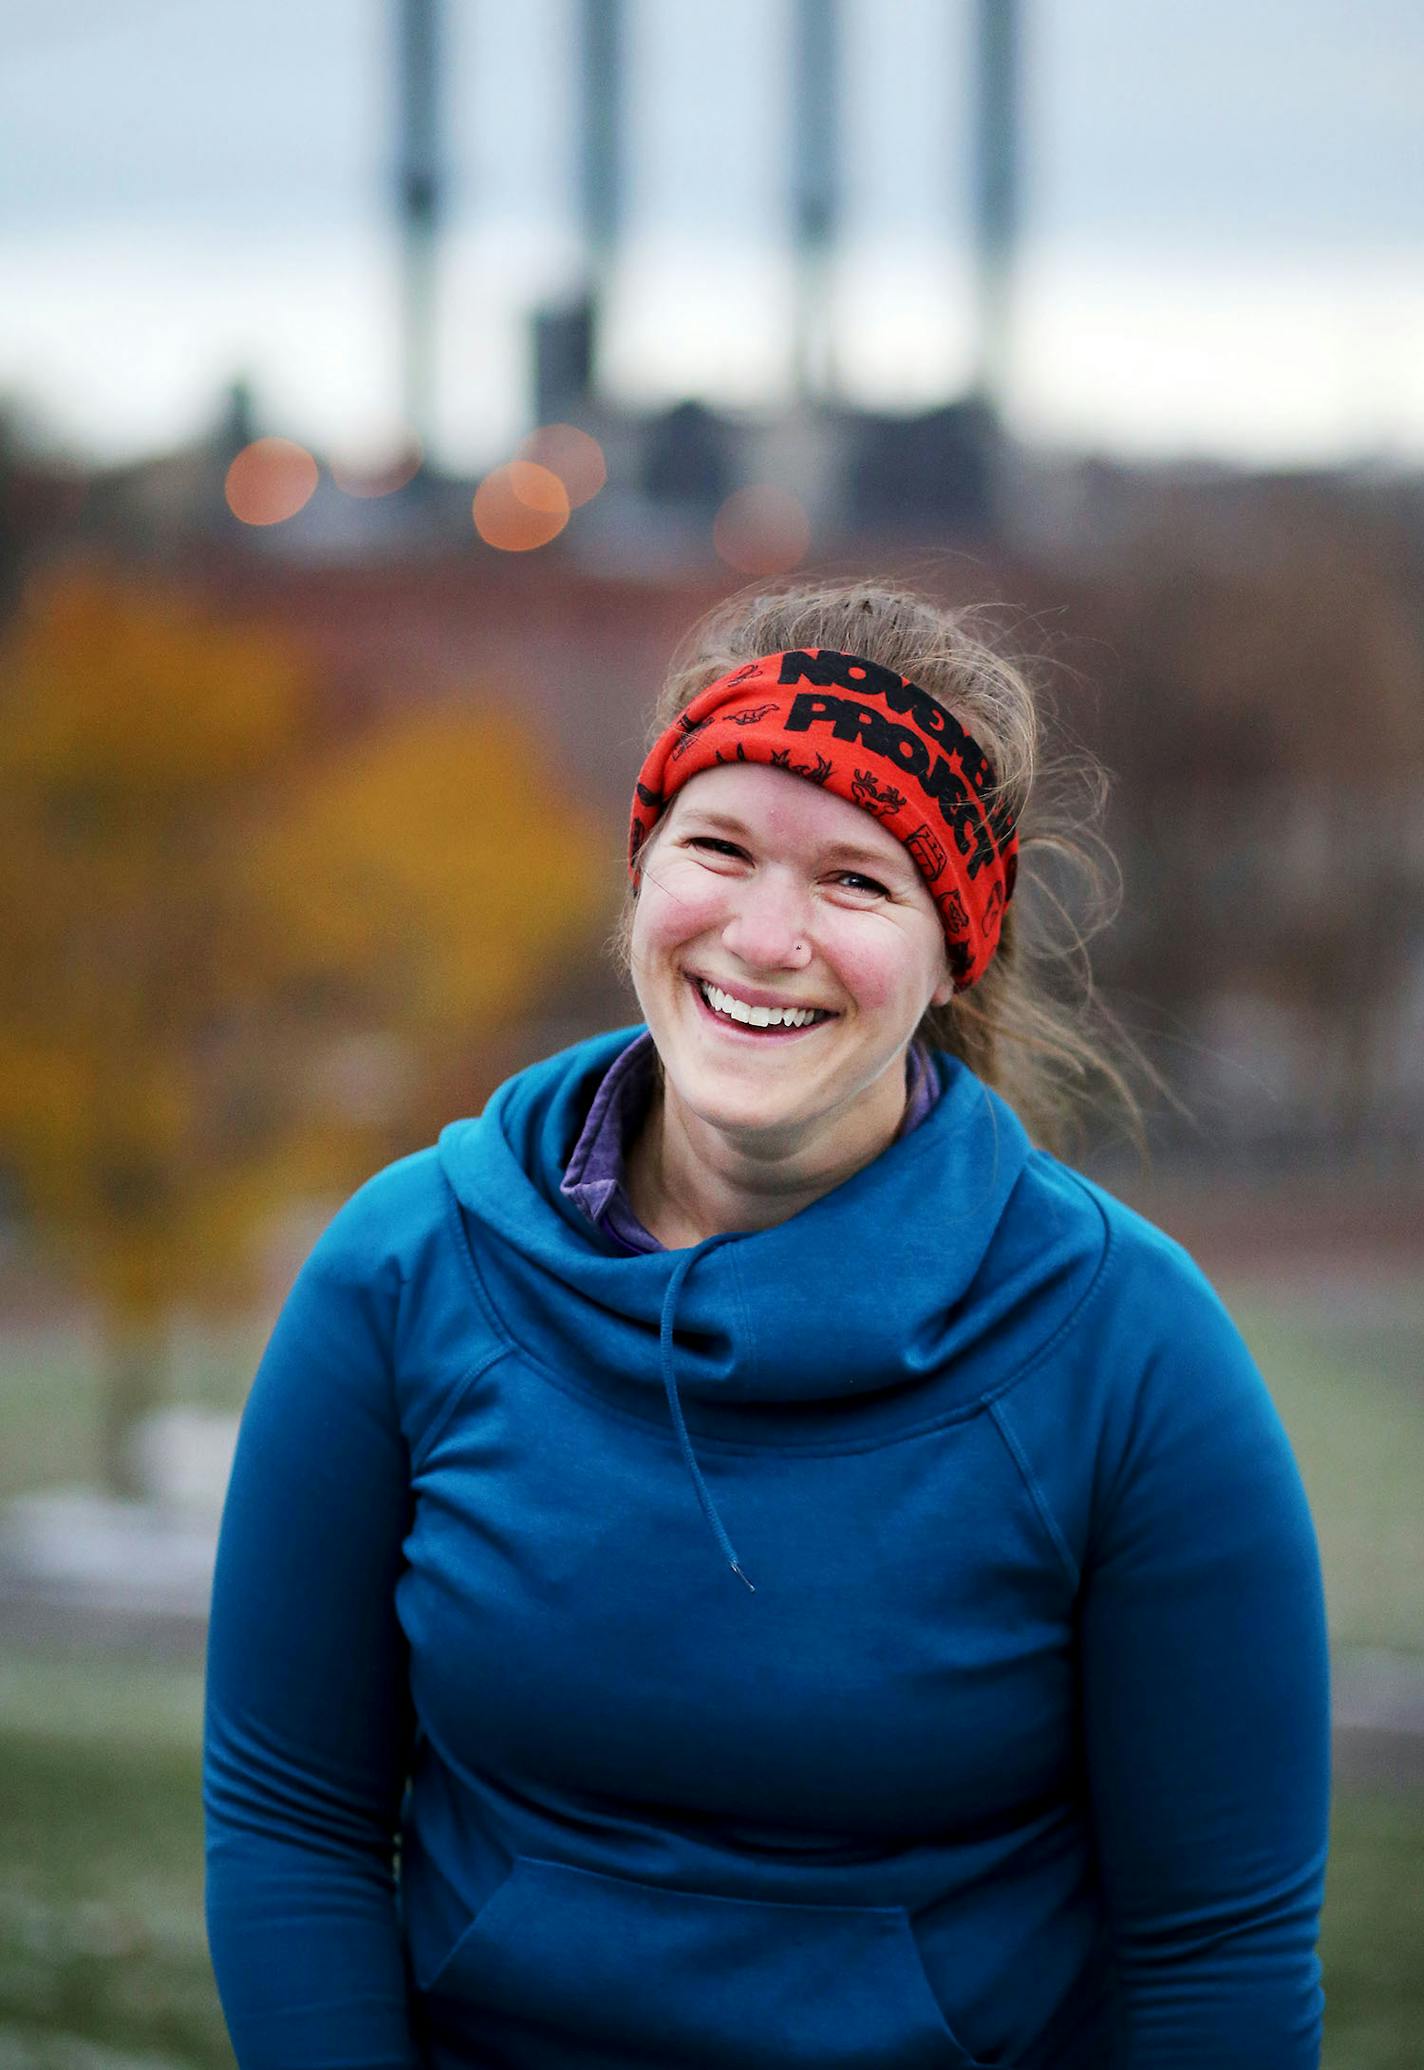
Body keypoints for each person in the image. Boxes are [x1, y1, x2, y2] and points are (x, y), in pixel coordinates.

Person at [203, 581, 1331, 2069]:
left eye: (860, 881)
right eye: (718, 848)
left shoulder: (1133, 1356)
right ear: (642, 878)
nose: (766, 934)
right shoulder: (404, 1273)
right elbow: (290, 1816)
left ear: (955, 948)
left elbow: (1218, 1955)